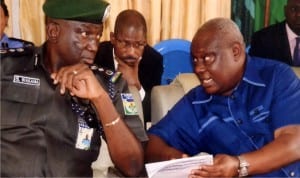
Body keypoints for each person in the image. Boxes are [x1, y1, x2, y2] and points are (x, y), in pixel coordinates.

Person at [1, 0, 147, 177]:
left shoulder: (109, 84)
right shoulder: (6, 68)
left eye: (98, 37)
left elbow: (134, 167)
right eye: (85, 34)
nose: (94, 47)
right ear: (53, 31)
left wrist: (100, 99)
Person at [145, 17, 300, 177]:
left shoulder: (276, 77)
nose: (198, 68)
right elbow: (153, 140)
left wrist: (239, 165)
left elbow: (295, 143)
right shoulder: (197, 103)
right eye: (195, 60)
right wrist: (173, 158)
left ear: (235, 52)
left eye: (207, 58)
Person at [94, 9, 163, 126]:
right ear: (113, 38)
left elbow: (150, 116)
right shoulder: (97, 55)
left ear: (145, 42)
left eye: (139, 45)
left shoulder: (153, 61)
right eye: (125, 43)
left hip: (134, 126)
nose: (131, 52)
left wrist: (137, 88)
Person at [249, 0, 300, 66]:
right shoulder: (262, 39)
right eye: (293, 9)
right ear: (285, 10)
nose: (299, 14)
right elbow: (254, 71)